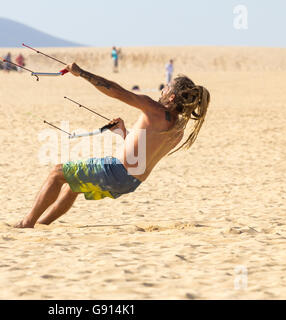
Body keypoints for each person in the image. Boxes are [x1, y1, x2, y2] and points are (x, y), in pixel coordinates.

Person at [14, 62, 210, 228]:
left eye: (167, 87)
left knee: (57, 173)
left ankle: (26, 224)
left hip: (116, 172)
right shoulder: (177, 130)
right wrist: (123, 133)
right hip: (131, 183)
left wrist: (81, 73)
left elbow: (116, 91)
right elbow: (142, 156)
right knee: (73, 186)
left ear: (172, 96)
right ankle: (42, 225)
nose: (163, 90)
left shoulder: (155, 110)